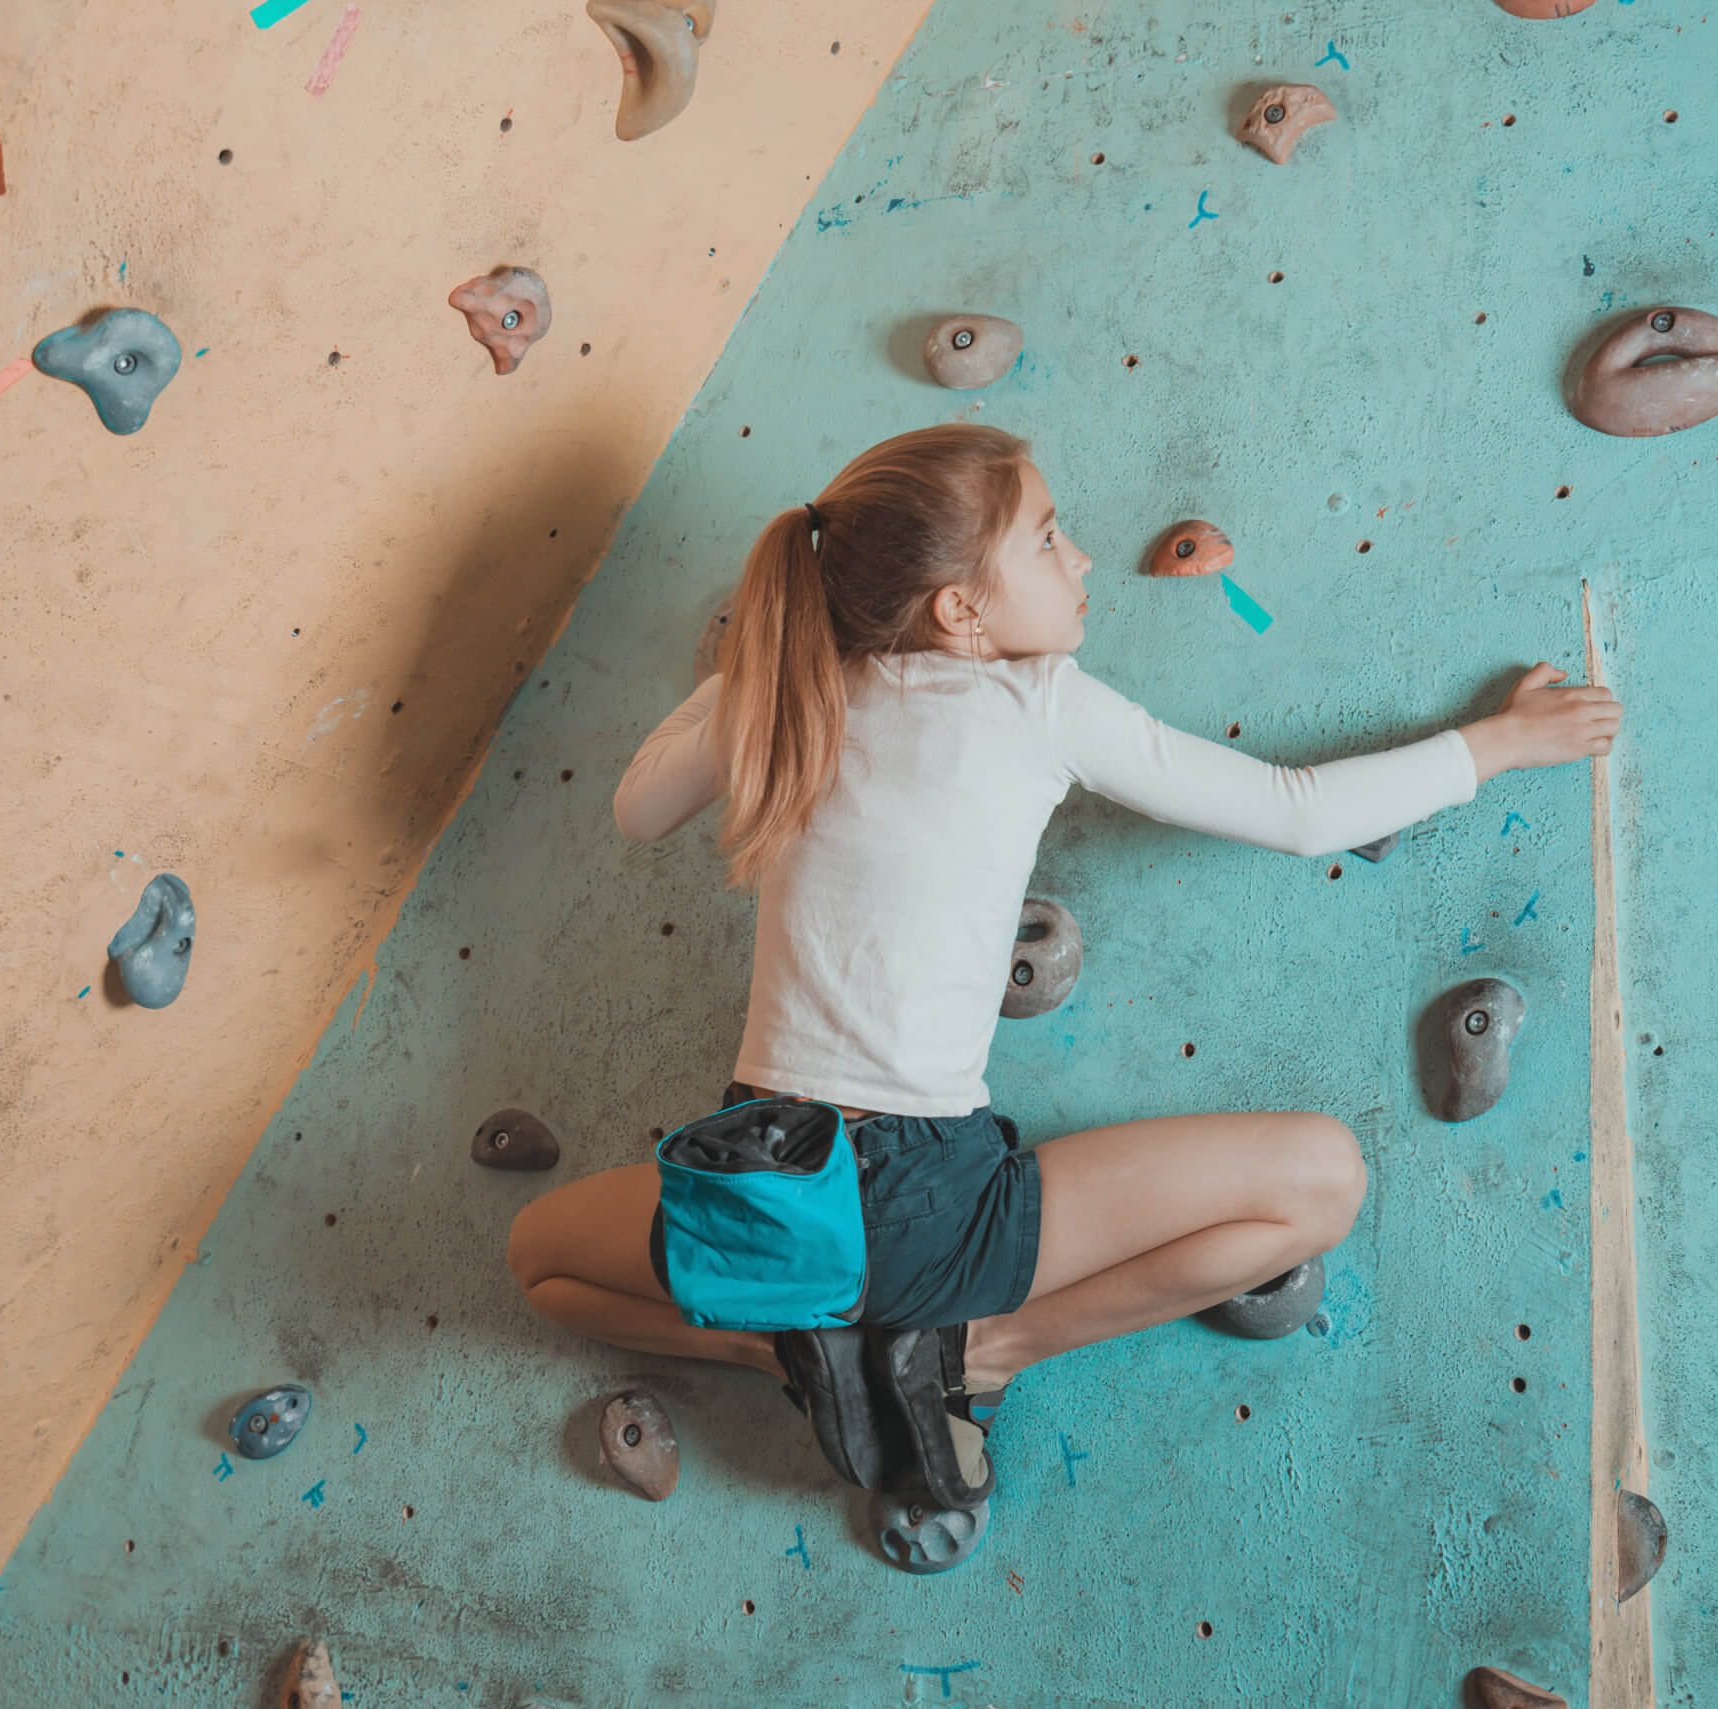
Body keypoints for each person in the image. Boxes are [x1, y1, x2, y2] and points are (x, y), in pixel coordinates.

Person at [506, 423, 1621, 1506]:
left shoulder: (793, 693)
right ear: (960, 609)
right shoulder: (1034, 702)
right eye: (1048, 536)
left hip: (763, 1186)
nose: (1080, 556)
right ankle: (991, 1349)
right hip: (925, 1205)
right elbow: (1302, 811)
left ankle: (790, 1348)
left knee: (537, 1261)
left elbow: (638, 805)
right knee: (1324, 1177)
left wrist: (767, 658)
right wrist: (1505, 740)